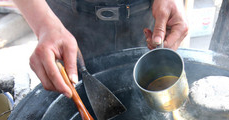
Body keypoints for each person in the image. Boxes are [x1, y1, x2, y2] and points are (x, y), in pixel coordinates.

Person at [12, 0, 188, 98]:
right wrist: (44, 25)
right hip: (67, 19)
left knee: (149, 100)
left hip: (146, 16)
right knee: (66, 94)